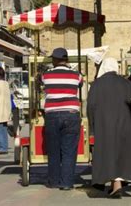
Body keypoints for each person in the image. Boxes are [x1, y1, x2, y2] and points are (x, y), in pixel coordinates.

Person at [87, 58, 131, 198]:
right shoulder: (126, 83)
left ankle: (113, 185)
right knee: (121, 152)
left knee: (107, 153)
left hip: (103, 124)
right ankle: (116, 185)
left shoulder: (97, 84)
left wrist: (92, 126)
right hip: (124, 122)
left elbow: (90, 106)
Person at [41, 47, 83, 191]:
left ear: (54, 60)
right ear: (66, 60)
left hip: (52, 115)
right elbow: (80, 85)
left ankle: (53, 181)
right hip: (71, 114)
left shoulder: (46, 75)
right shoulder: (76, 75)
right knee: (69, 151)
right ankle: (66, 183)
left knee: (53, 150)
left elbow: (42, 86)